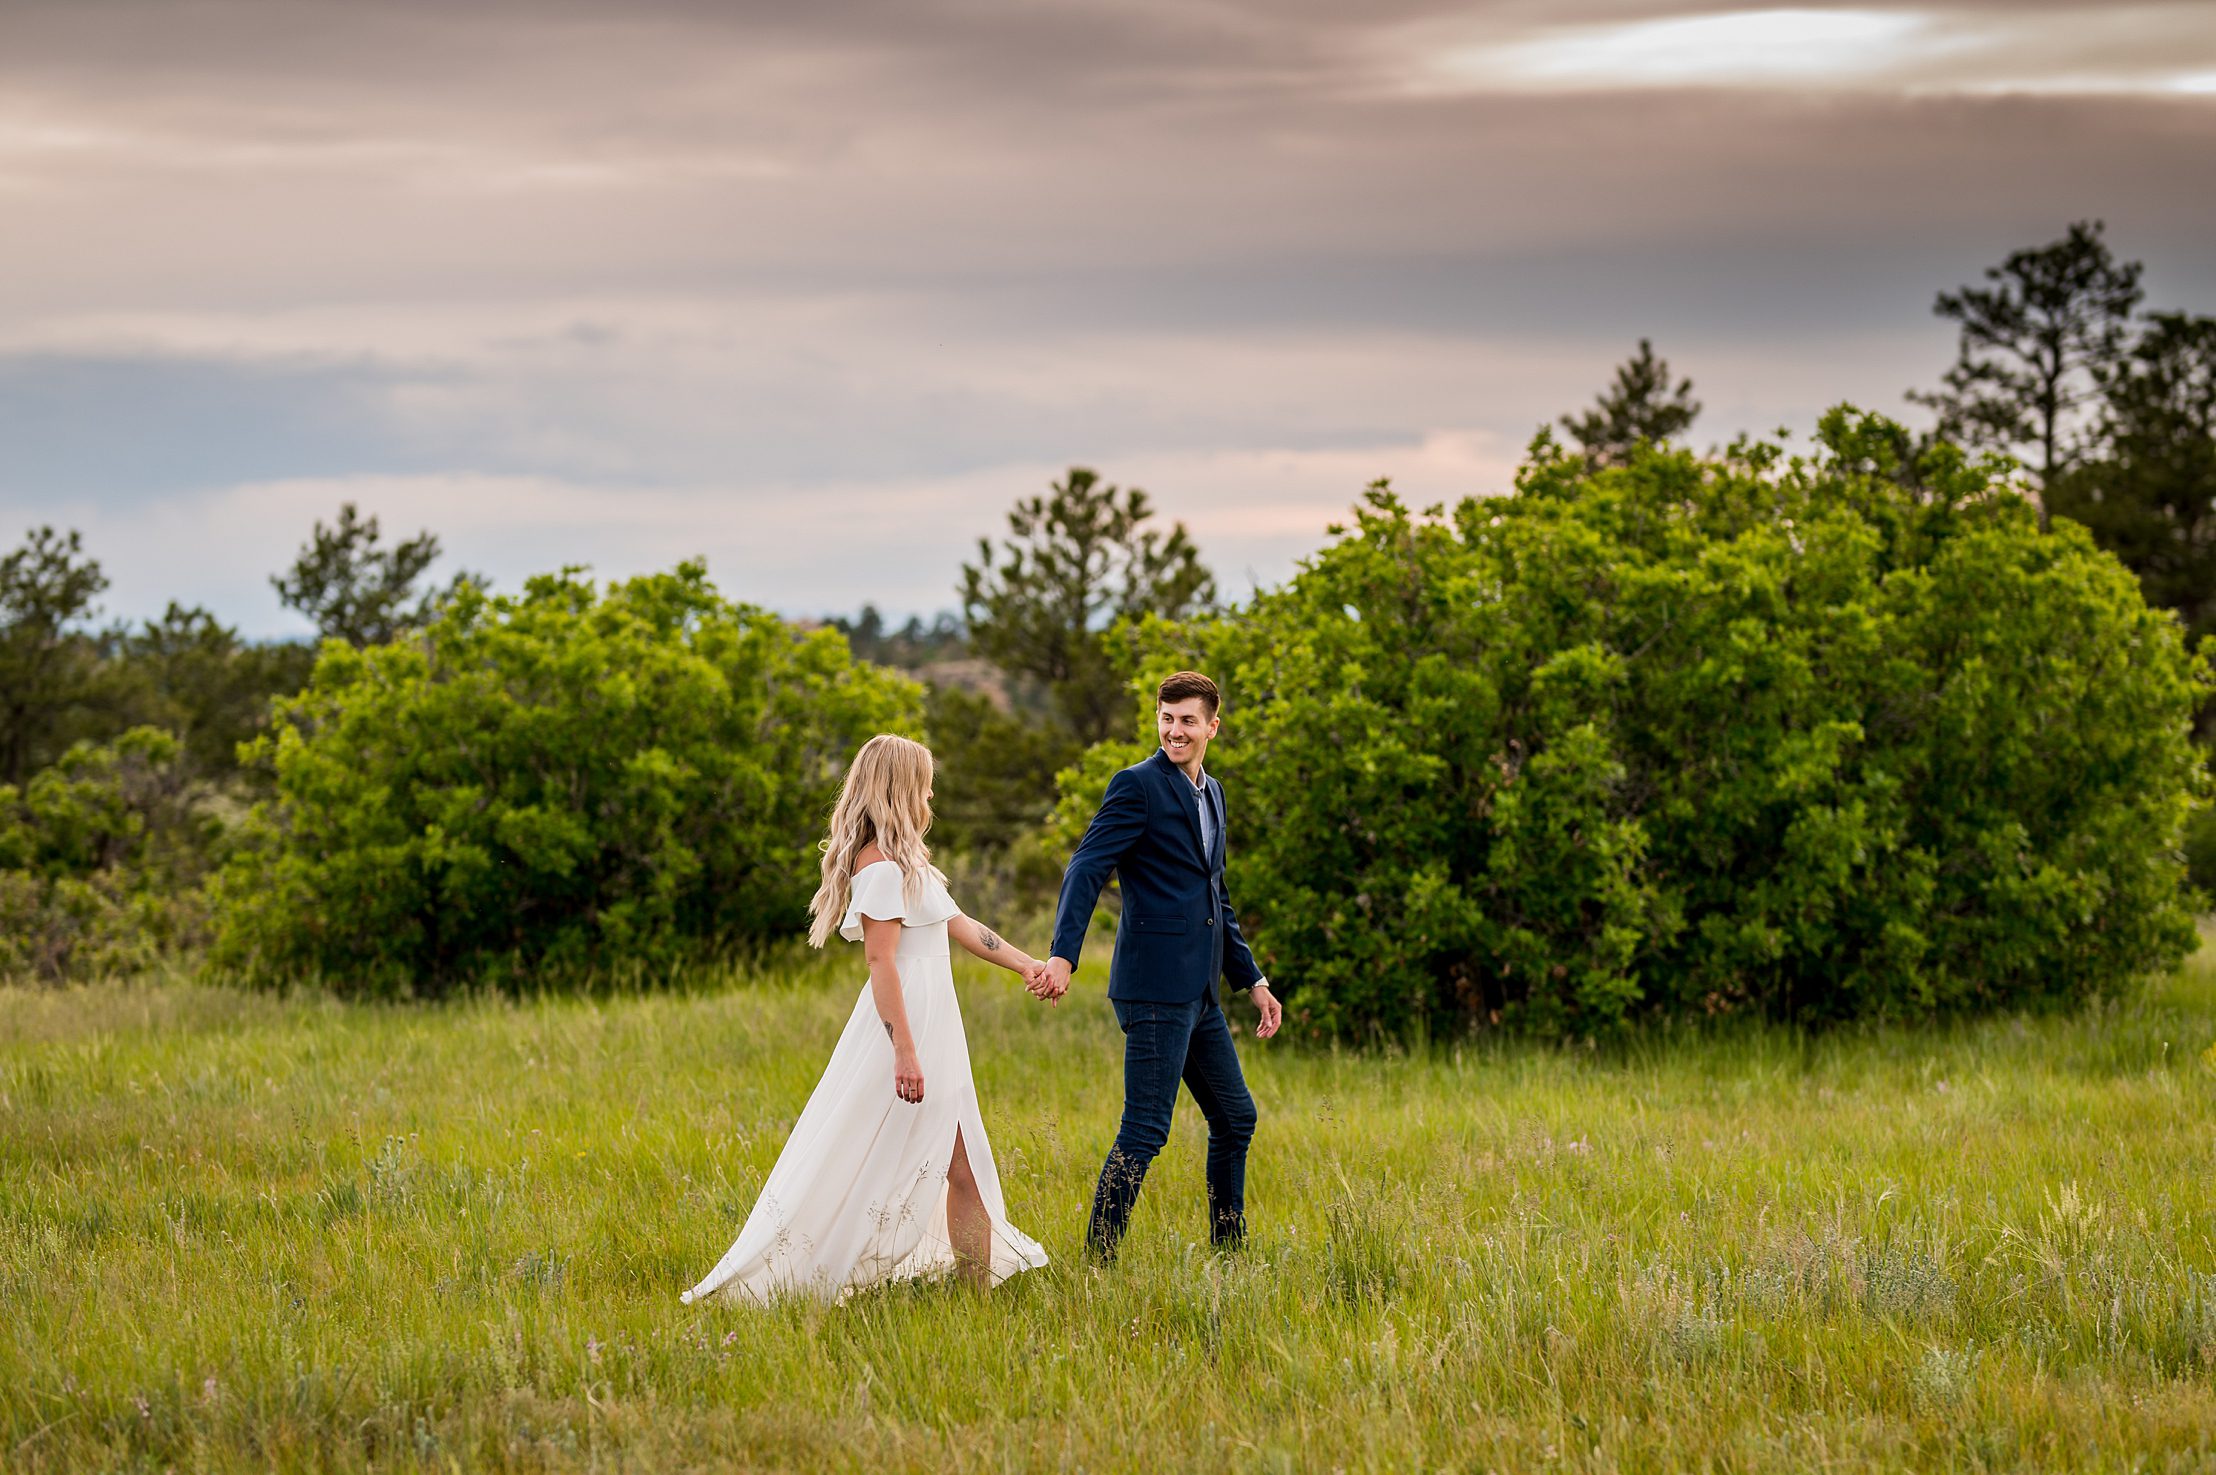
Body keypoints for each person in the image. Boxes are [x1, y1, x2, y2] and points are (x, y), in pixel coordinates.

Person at [681, 734, 1051, 1304]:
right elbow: (881, 963)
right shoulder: (878, 870)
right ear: (903, 788)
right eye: (925, 781)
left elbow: (961, 925)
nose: (932, 792)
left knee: (959, 1164)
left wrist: (1028, 965)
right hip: (906, 1029)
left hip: (935, 1027)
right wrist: (905, 1049)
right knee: (884, 1156)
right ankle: (818, 1278)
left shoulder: (911, 864)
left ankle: (978, 1299)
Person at [1038, 671, 1282, 1258]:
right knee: (1146, 1129)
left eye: (1188, 721)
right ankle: (1097, 1262)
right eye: (1167, 719)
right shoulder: (1136, 786)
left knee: (1235, 1118)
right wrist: (1064, 956)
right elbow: (1085, 869)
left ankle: (1230, 1252)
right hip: (1152, 988)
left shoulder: (1213, 793)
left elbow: (1213, 894)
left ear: (1211, 727)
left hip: (1198, 991)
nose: (1175, 731)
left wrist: (1252, 979)